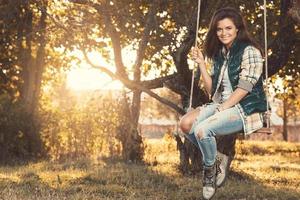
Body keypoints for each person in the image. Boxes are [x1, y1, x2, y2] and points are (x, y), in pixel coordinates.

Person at [179, 7, 267, 200]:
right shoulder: (220, 53)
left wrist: (222, 108)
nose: (223, 33)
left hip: (245, 107)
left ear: (238, 29)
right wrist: (202, 63)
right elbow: (212, 91)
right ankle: (218, 159)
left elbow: (245, 88)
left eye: (228, 28)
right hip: (221, 104)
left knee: (202, 130)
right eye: (219, 29)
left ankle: (209, 173)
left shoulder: (250, 51)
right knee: (185, 125)